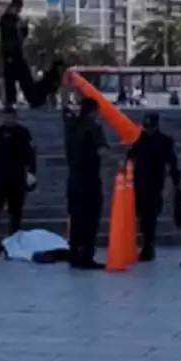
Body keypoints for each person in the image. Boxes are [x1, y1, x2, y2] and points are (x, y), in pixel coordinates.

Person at [0, 108, 37, 254]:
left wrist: (31, 172)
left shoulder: (23, 133)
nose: (8, 120)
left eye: (11, 117)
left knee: (15, 213)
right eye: (6, 117)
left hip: (16, 178)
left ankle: (14, 243)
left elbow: (31, 154)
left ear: (15, 117)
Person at [127, 112, 180, 262]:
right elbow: (131, 155)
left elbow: (171, 162)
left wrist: (175, 181)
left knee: (150, 217)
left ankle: (148, 246)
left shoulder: (164, 141)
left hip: (155, 184)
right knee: (142, 216)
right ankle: (146, 245)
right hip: (139, 183)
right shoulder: (139, 140)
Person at [66, 98, 107, 270]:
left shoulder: (73, 127)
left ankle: (75, 253)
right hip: (89, 180)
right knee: (90, 218)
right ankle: (86, 256)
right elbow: (102, 151)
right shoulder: (94, 128)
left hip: (74, 179)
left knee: (76, 218)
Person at [0, 0, 34, 108]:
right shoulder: (6, 19)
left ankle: (31, 98)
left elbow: (21, 37)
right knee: (10, 78)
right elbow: (6, 37)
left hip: (17, 52)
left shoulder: (16, 19)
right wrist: (9, 54)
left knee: (24, 76)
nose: (19, 11)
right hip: (10, 53)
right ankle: (10, 101)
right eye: (18, 8)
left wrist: (25, 27)